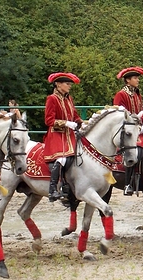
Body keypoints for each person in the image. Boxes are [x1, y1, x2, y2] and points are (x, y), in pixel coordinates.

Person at [44, 72, 83, 202]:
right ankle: (53, 189)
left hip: (70, 135)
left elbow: (75, 115)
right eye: (67, 84)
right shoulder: (52, 99)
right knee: (62, 158)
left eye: (70, 84)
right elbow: (49, 120)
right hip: (57, 134)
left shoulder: (69, 98)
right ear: (58, 84)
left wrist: (82, 123)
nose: (69, 86)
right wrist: (66, 123)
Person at [113, 66, 143, 196]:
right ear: (128, 80)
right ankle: (128, 183)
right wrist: (136, 119)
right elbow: (119, 112)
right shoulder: (121, 95)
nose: (137, 80)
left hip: (138, 128)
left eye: (137, 78)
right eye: (135, 78)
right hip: (126, 129)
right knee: (134, 150)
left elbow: (140, 110)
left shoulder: (136, 94)